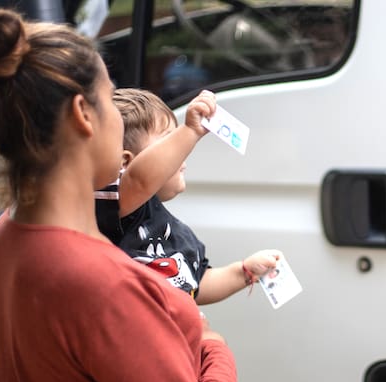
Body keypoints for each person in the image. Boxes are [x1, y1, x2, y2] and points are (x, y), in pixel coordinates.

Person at [0, 9, 239, 382]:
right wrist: (212, 345)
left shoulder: (7, 234)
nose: (120, 113)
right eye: (111, 100)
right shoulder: (106, 287)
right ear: (83, 116)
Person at [95, 87, 282, 302]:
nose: (181, 149)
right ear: (125, 163)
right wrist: (190, 131)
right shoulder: (119, 211)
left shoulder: (174, 230)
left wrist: (244, 272)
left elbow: (197, 283)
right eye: (169, 139)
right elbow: (140, 180)